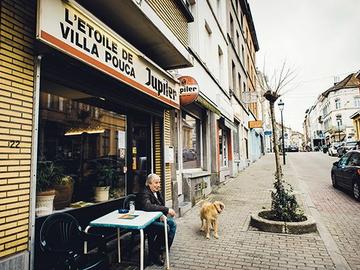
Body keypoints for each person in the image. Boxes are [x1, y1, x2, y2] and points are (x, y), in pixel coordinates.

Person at [137, 173, 176, 266]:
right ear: (149, 183)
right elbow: (148, 206)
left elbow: (160, 205)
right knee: (165, 227)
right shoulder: (144, 192)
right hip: (145, 221)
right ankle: (155, 254)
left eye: (159, 182)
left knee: (172, 225)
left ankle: (161, 249)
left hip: (154, 218)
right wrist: (167, 210)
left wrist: (162, 215)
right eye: (156, 183)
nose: (158, 185)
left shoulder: (156, 191)